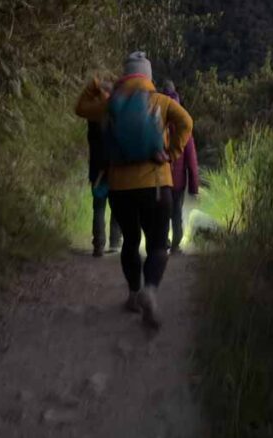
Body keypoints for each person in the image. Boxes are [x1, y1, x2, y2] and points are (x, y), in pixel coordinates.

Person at [75, 52, 193, 329]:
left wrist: (94, 84)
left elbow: (80, 109)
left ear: (125, 76)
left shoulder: (110, 105)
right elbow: (187, 123)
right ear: (148, 77)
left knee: (129, 240)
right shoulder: (161, 101)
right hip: (156, 183)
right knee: (156, 244)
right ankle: (150, 291)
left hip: (120, 186)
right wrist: (171, 152)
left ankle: (133, 294)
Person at [159, 80, 199, 253]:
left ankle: (163, 241)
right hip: (179, 180)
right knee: (176, 213)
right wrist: (194, 187)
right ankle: (176, 244)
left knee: (162, 212)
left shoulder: (158, 117)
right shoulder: (183, 122)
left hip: (160, 176)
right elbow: (191, 158)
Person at [86, 87, 122, 259]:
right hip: (114, 169)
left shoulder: (93, 119)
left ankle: (99, 245)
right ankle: (115, 242)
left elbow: (92, 144)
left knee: (99, 208)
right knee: (116, 207)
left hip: (98, 170)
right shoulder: (117, 117)